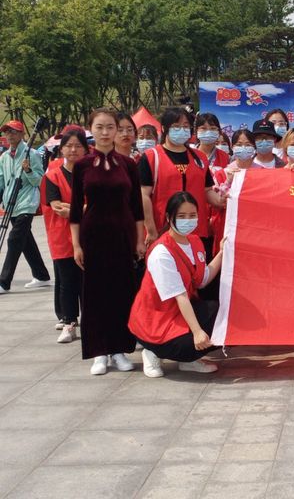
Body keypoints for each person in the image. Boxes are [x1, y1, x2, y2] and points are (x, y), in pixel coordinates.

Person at [70, 108, 145, 375]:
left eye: (110, 127)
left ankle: (119, 349)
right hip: (93, 235)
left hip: (123, 235)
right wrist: (76, 245)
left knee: (121, 292)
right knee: (94, 294)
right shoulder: (82, 166)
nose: (105, 132)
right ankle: (99, 352)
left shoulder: (128, 165)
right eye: (99, 127)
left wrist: (139, 240)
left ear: (117, 130)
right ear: (91, 129)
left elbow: (137, 207)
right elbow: (75, 210)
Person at [128, 191, 223, 377]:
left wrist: (222, 253)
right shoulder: (161, 253)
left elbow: (202, 280)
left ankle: (188, 360)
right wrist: (197, 332)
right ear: (169, 217)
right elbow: (180, 296)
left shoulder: (194, 241)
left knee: (223, 317)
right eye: (182, 216)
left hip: (178, 313)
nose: (188, 220)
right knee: (207, 333)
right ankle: (153, 351)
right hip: (156, 323)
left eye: (192, 215)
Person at [139, 108, 223, 252]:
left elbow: (207, 190)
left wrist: (222, 201)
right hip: (162, 230)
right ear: (164, 128)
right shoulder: (151, 157)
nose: (182, 130)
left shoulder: (200, 158)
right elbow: (143, 195)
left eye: (185, 126)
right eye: (176, 126)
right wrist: (151, 230)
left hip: (195, 229)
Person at [43, 129, 89, 343]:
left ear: (86, 150)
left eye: (78, 146)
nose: (73, 150)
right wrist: (84, 208)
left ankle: (91, 322)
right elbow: (57, 207)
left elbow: (97, 203)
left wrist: (75, 208)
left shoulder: (91, 174)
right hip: (62, 236)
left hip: (88, 235)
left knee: (88, 282)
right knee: (67, 282)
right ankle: (69, 322)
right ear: (61, 150)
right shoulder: (52, 176)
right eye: (69, 146)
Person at [0, 120, 51, 293]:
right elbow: (1, 181)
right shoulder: (4, 157)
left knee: (14, 240)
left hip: (27, 203)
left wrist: (28, 171)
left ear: (22, 134)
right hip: (11, 204)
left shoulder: (32, 154)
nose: (10, 135)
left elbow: (40, 180)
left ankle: (3, 282)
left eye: (13, 132)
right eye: (7, 132)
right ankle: (41, 275)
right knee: (26, 241)